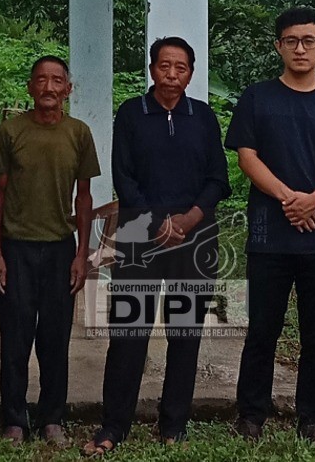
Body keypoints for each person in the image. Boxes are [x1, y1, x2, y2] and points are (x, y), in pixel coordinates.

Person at [83, 36, 230, 455]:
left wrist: (187, 220)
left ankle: (174, 424)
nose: (171, 74)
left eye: (180, 67)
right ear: (151, 70)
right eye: (164, 66)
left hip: (195, 240)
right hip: (139, 241)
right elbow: (124, 177)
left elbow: (218, 178)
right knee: (130, 334)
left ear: (191, 73)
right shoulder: (132, 113)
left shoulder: (203, 117)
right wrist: (156, 224)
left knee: (185, 334)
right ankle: (114, 426)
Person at [225, 6, 315, 449]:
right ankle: (251, 414)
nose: (300, 48)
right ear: (278, 46)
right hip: (270, 234)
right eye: (291, 40)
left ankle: (311, 417)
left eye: (308, 40)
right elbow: (247, 157)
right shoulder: (257, 97)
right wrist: (290, 198)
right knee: (263, 328)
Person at [0, 55, 100, 446]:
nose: (49, 88)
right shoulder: (10, 131)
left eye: (57, 81)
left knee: (55, 339)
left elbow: (84, 198)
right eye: (41, 80)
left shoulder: (79, 133)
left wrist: (82, 253)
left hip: (59, 250)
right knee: (15, 339)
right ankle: (14, 420)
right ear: (30, 87)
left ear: (68, 89)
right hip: (17, 249)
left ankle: (53, 417)